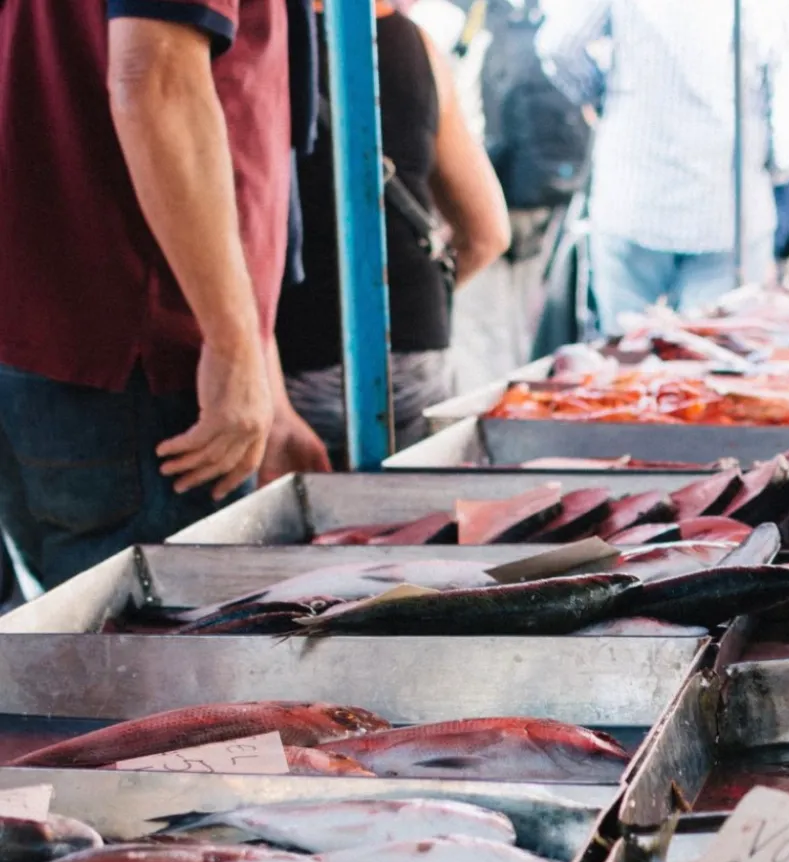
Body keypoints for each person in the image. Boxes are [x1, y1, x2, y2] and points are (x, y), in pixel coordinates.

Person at [0, 0, 318, 589]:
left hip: (53, 340)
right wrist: (230, 340)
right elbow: (155, 79)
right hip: (136, 359)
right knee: (156, 661)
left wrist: (258, 363)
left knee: (72, 645)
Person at [278, 1, 510, 461]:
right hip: (415, 345)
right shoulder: (416, 42)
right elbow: (487, 233)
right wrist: (402, 300)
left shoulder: (258, 38)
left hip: (292, 359)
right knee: (416, 519)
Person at [537, 0, 789, 335]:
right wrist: (775, 170)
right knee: (716, 363)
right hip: (729, 211)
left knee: (624, 360)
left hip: (633, 196)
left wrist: (608, 99)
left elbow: (559, 45)